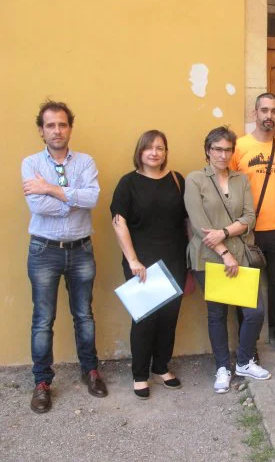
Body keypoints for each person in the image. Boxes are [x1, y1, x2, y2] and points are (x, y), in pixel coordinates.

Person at [22, 100, 107, 413]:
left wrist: (52, 189)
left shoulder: (85, 161)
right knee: (43, 320)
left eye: (62, 124)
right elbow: (37, 207)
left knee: (84, 314)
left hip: (81, 249)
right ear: (42, 131)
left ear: (70, 127)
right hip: (44, 250)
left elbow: (93, 197)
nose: (57, 130)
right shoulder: (30, 163)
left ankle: (90, 371)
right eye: (50, 125)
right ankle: (42, 382)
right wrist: (71, 199)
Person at [185, 126, 271, 393]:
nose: (223, 154)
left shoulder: (240, 179)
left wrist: (224, 232)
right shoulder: (195, 179)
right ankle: (222, 367)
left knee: (254, 312)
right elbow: (200, 224)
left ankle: (244, 361)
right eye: (217, 149)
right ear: (208, 151)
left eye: (227, 149)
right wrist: (224, 253)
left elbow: (249, 218)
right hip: (209, 256)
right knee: (217, 314)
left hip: (240, 253)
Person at [110, 130, 187, 399]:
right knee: (144, 319)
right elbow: (119, 221)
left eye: (160, 147)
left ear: (166, 152)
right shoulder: (128, 183)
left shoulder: (177, 180)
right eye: (149, 147)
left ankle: (162, 367)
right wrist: (132, 259)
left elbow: (186, 221)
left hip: (175, 260)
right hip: (141, 263)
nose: (155, 152)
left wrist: (189, 259)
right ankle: (140, 374)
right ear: (140, 151)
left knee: (169, 318)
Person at [230, 93, 275, 360]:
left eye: (273, 111)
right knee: (247, 290)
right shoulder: (238, 147)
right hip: (246, 231)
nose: (268, 116)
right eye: (264, 110)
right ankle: (248, 347)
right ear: (254, 113)